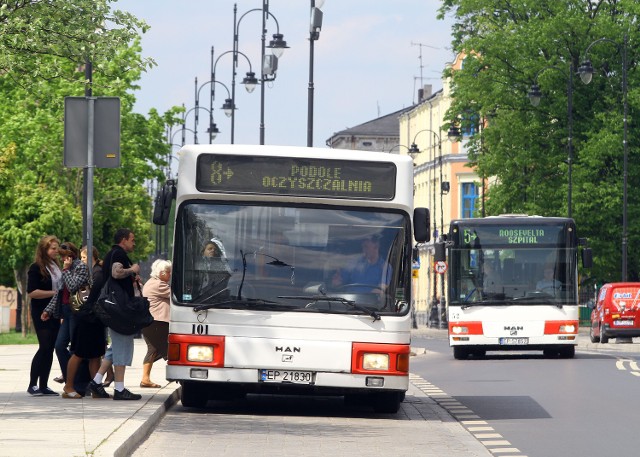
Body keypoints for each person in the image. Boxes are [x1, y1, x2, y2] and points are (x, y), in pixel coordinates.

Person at [91, 228, 142, 401]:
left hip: (113, 308)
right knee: (123, 347)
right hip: (119, 309)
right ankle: (119, 389)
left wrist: (131, 277)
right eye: (132, 239)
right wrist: (132, 270)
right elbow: (116, 272)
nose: (134, 243)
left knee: (115, 348)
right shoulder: (118, 254)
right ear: (123, 240)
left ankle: (97, 381)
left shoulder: (113, 253)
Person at [62, 246, 110, 399]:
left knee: (95, 355)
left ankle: (95, 387)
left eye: (84, 257)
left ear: (91, 256)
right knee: (79, 353)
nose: (82, 261)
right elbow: (73, 287)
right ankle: (69, 386)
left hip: (92, 318)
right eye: (81, 257)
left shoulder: (96, 272)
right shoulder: (94, 272)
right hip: (88, 317)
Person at [26, 235, 62, 396]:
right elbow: (32, 292)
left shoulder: (56, 266)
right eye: (53, 248)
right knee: (44, 346)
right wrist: (54, 293)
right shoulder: (36, 268)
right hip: (41, 312)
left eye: (57, 248)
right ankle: (32, 384)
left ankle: (44, 385)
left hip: (55, 312)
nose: (56, 251)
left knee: (50, 349)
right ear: (44, 250)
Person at [48, 242, 88, 386]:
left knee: (75, 349)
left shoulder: (80, 266)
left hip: (76, 312)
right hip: (66, 311)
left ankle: (78, 383)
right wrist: (48, 310)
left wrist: (66, 270)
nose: (62, 258)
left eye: (64, 255)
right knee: (59, 346)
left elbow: (72, 286)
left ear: (72, 254)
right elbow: (59, 292)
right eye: (61, 256)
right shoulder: (64, 268)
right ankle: (69, 378)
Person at [140, 259, 172, 388]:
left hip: (152, 323)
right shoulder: (159, 285)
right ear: (162, 273)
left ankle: (145, 379)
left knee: (153, 350)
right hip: (157, 323)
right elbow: (176, 296)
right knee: (169, 350)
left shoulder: (151, 282)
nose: (170, 275)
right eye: (168, 272)